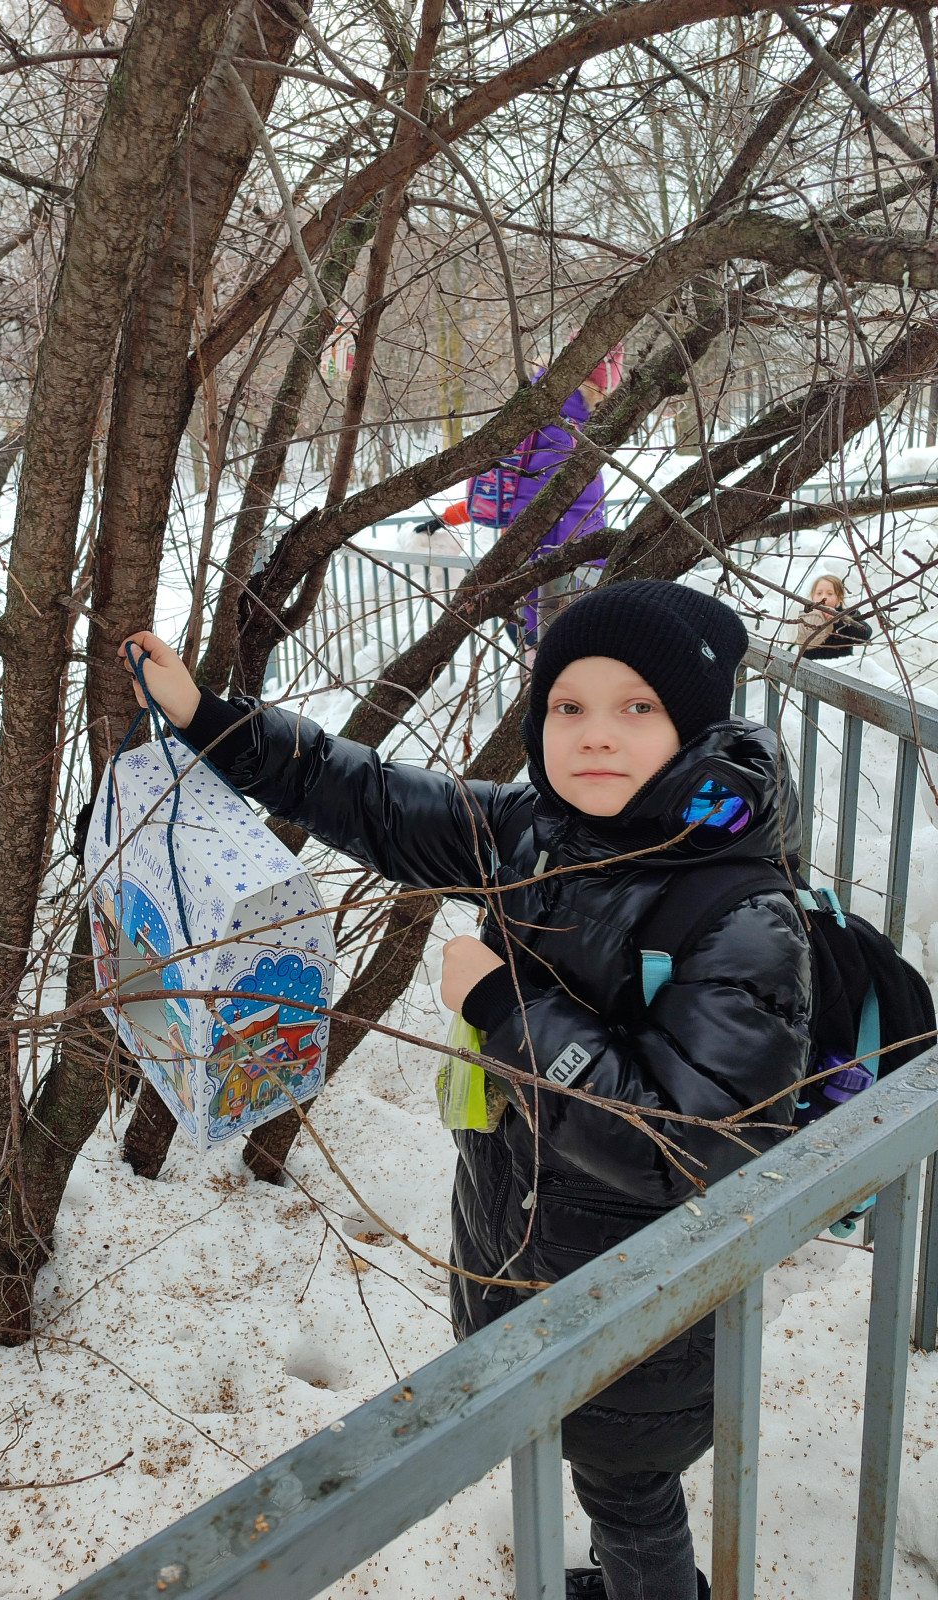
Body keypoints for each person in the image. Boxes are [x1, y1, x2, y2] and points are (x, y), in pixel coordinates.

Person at [118, 580, 811, 1600]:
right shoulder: (540, 831)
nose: (595, 736)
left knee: (630, 1490)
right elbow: (376, 801)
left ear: (695, 727)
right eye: (568, 707)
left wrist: (506, 1005)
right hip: (529, 1253)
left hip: (645, 1310)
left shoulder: (742, 912)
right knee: (596, 1473)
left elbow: (687, 1147)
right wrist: (211, 721)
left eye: (638, 707)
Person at [414, 347, 624, 652]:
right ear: (597, 387)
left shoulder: (530, 417)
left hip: (526, 585)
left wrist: (448, 517)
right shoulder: (567, 434)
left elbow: (505, 490)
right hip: (552, 597)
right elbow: (560, 519)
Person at [797, 573, 873, 660]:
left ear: (839, 598)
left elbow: (865, 634)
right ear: (812, 597)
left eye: (830, 594)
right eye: (819, 593)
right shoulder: (804, 617)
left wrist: (839, 621)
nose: (823, 597)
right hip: (808, 666)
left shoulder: (848, 615)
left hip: (839, 667)